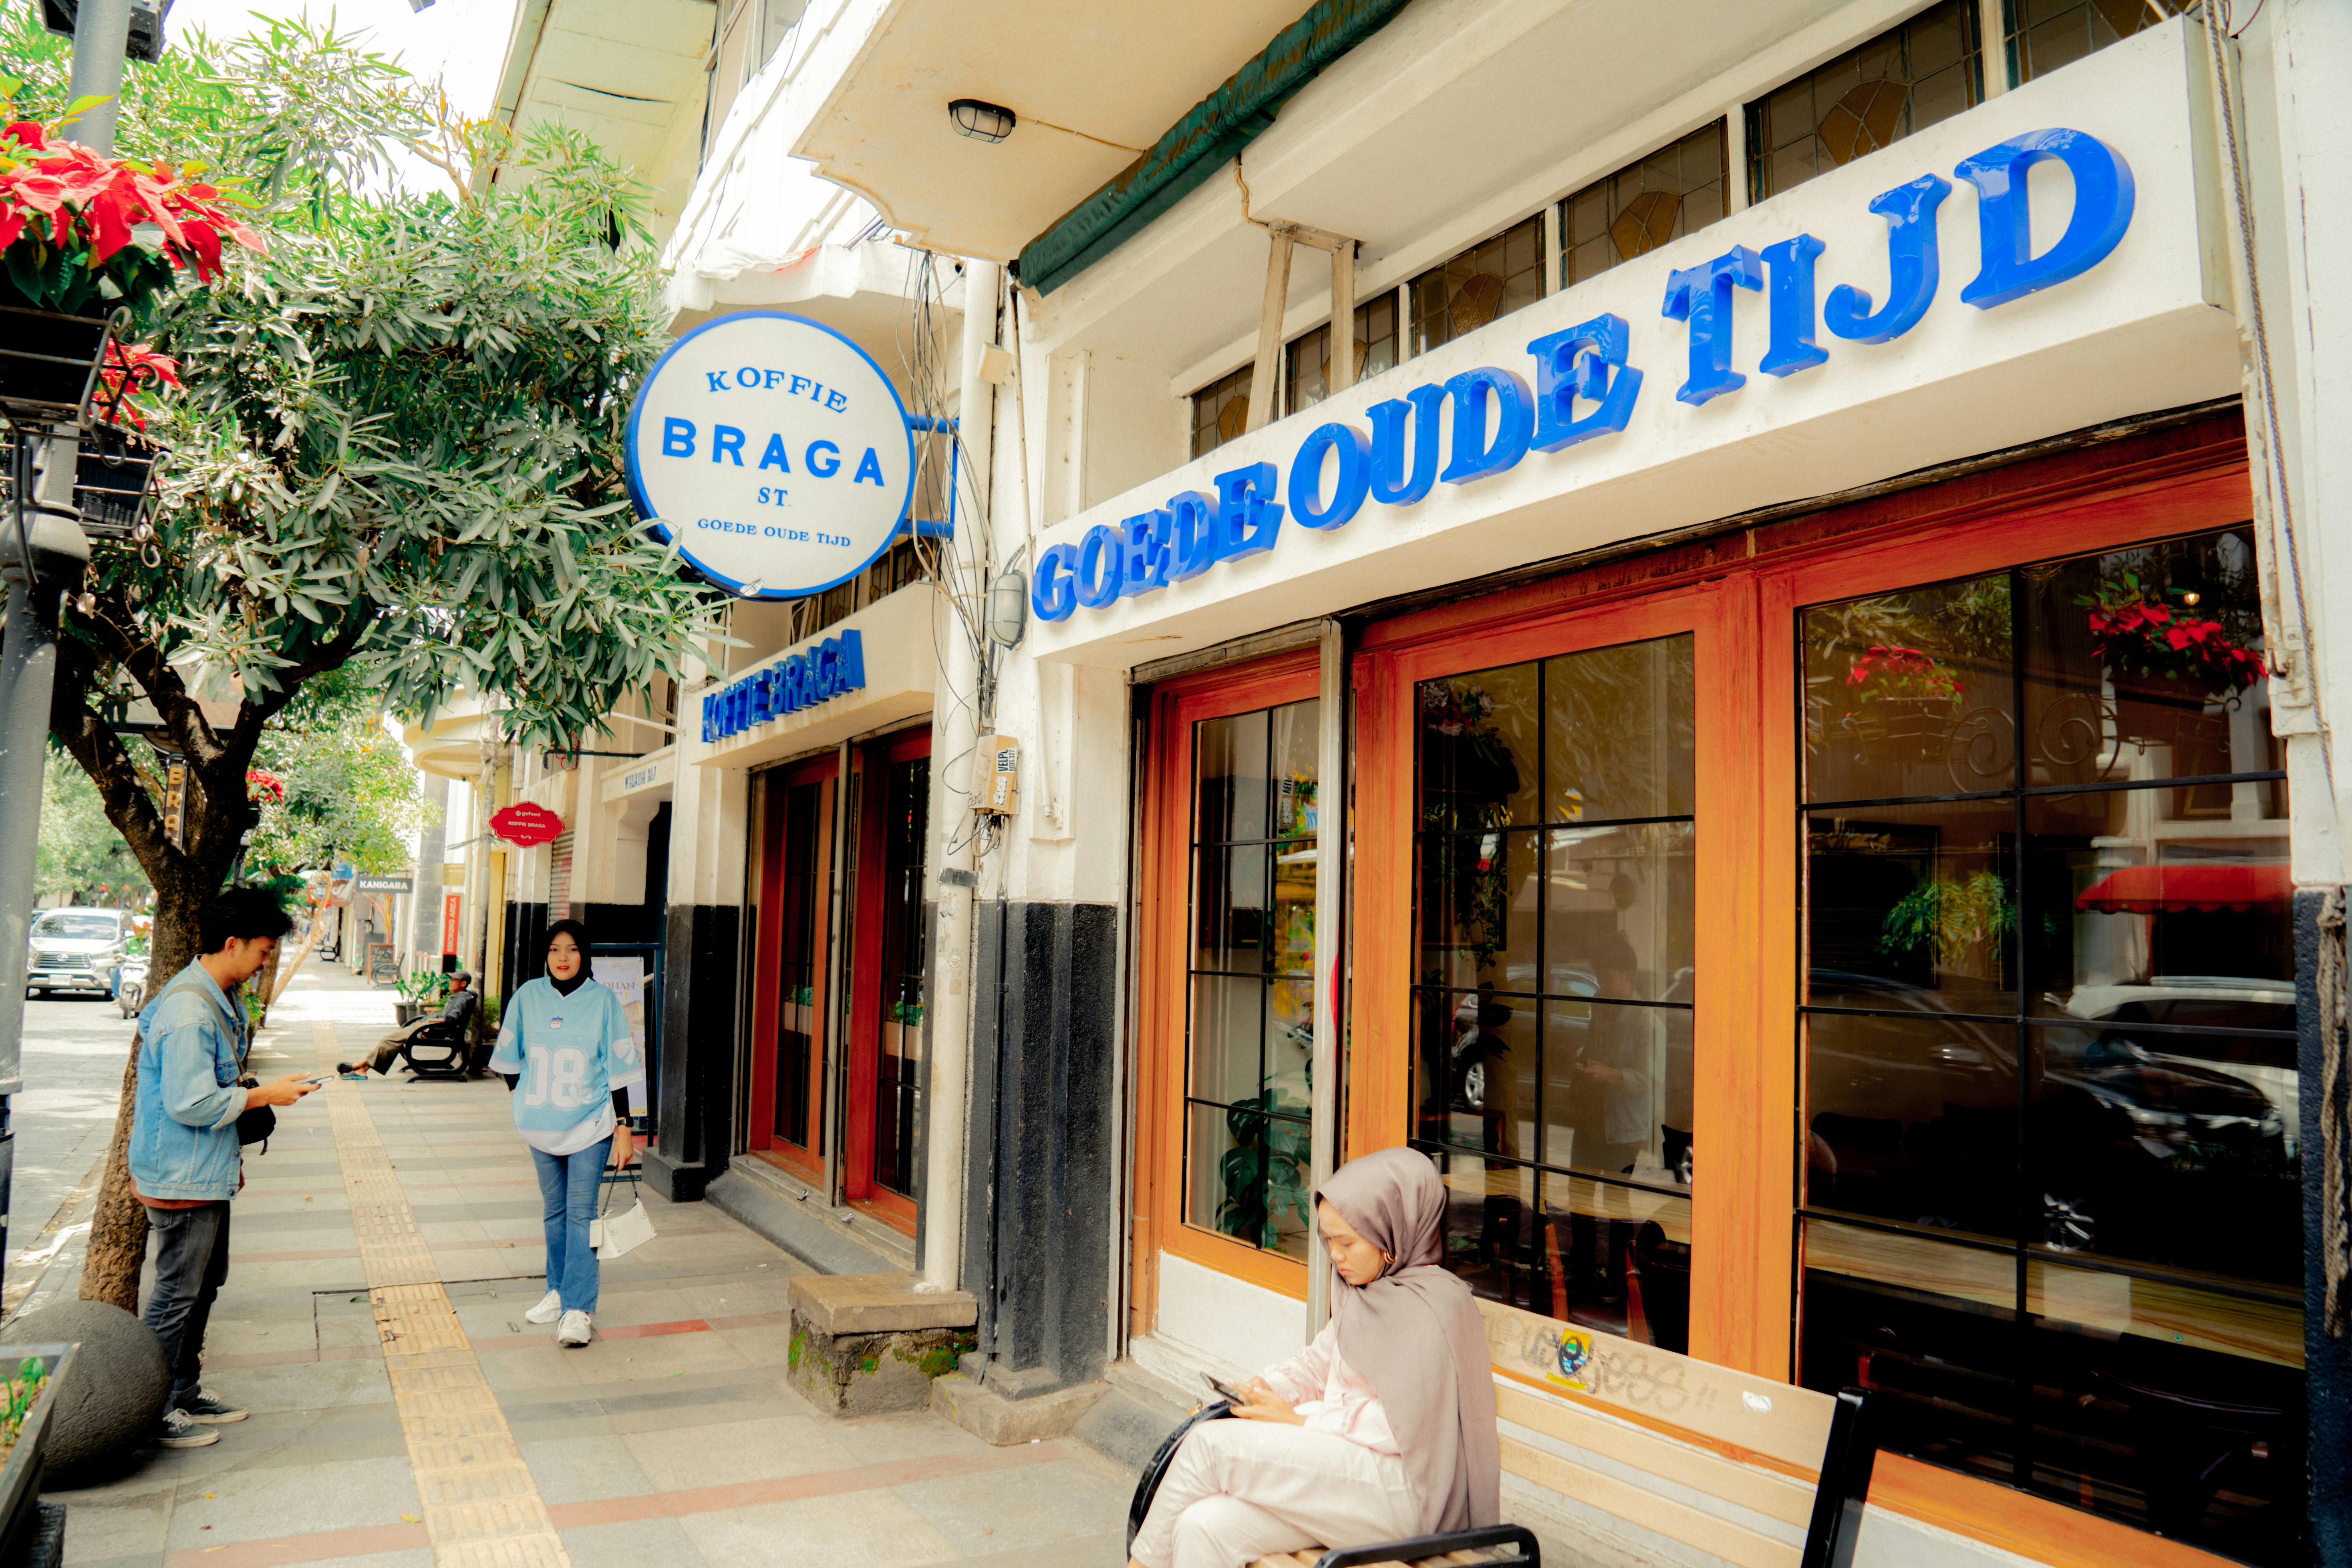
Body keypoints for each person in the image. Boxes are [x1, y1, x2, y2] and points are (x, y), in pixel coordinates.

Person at [1129, 1147, 1501, 1568]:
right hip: (1344, 1483)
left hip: (1407, 1494)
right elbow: (1320, 1362)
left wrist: (1301, 1421)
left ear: (1393, 1235)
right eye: (1328, 1241)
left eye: (1347, 1242)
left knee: (1208, 1447)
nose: (1336, 1256)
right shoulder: (1366, 1293)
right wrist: (1267, 1389)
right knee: (1202, 1525)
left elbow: (1401, 1429)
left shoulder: (1434, 1309)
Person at [130, 887, 316, 1450]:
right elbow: (189, 1102)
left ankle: (183, 1390)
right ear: (231, 942)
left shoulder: (218, 995)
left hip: (203, 1170)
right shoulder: (190, 1009)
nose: (266, 961)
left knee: (204, 1285)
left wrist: (257, 1092)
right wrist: (265, 1098)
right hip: (180, 1174)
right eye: (262, 950)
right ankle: (152, 1409)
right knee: (175, 1294)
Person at [489, 920, 642, 1348]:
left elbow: (619, 1070)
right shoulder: (527, 997)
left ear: (584, 955)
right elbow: (508, 1057)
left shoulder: (604, 1002)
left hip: (591, 1125)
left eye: (572, 950)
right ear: (546, 954)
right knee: (554, 1213)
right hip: (541, 1128)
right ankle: (556, 1292)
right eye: (555, 949)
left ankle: (578, 1309)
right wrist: (522, 1098)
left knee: (580, 1215)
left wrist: (624, 1128)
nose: (562, 958)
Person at [339, 970, 481, 1077]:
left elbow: (451, 1020)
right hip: (426, 1025)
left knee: (389, 1040)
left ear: (463, 984)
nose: (450, 983)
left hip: (433, 1029)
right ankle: (363, 1068)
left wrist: (430, 1021)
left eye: (454, 981)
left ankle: (360, 1066)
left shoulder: (461, 999)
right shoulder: (459, 996)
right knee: (392, 1041)